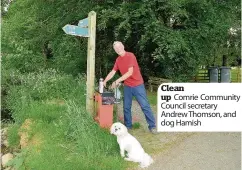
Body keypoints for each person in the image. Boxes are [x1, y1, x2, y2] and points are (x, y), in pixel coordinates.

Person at [103, 41, 157, 134]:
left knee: (145, 106)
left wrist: (117, 81)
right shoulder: (118, 60)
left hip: (138, 85)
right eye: (116, 48)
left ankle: (152, 126)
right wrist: (105, 81)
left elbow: (129, 72)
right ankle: (128, 126)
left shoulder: (130, 56)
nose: (118, 49)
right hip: (128, 86)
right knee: (126, 107)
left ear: (123, 46)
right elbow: (113, 72)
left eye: (119, 47)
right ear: (115, 51)